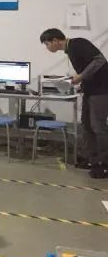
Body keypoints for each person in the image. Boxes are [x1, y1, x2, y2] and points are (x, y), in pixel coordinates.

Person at [40, 28, 108, 178]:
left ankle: (104, 163)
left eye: (47, 44)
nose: (47, 47)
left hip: (101, 91)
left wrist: (81, 76)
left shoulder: (78, 44)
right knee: (86, 125)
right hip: (90, 90)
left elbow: (100, 60)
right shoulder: (70, 50)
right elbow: (89, 70)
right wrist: (78, 82)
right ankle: (93, 160)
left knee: (98, 126)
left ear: (55, 40)